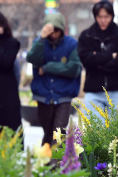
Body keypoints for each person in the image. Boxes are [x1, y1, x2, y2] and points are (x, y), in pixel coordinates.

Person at [27, 13, 81, 145]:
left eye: (56, 30)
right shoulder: (39, 43)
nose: (53, 34)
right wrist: (41, 39)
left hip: (63, 95)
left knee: (59, 133)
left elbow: (73, 69)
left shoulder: (72, 44)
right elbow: (32, 58)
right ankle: (46, 162)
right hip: (43, 95)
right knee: (48, 132)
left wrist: (47, 67)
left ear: (62, 29)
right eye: (50, 30)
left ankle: (54, 164)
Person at [78, 0, 118, 117]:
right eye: (100, 16)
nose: (103, 20)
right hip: (93, 90)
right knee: (94, 130)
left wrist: (97, 60)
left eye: (106, 17)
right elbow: (86, 61)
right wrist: (110, 56)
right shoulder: (86, 36)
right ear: (95, 16)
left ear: (112, 16)